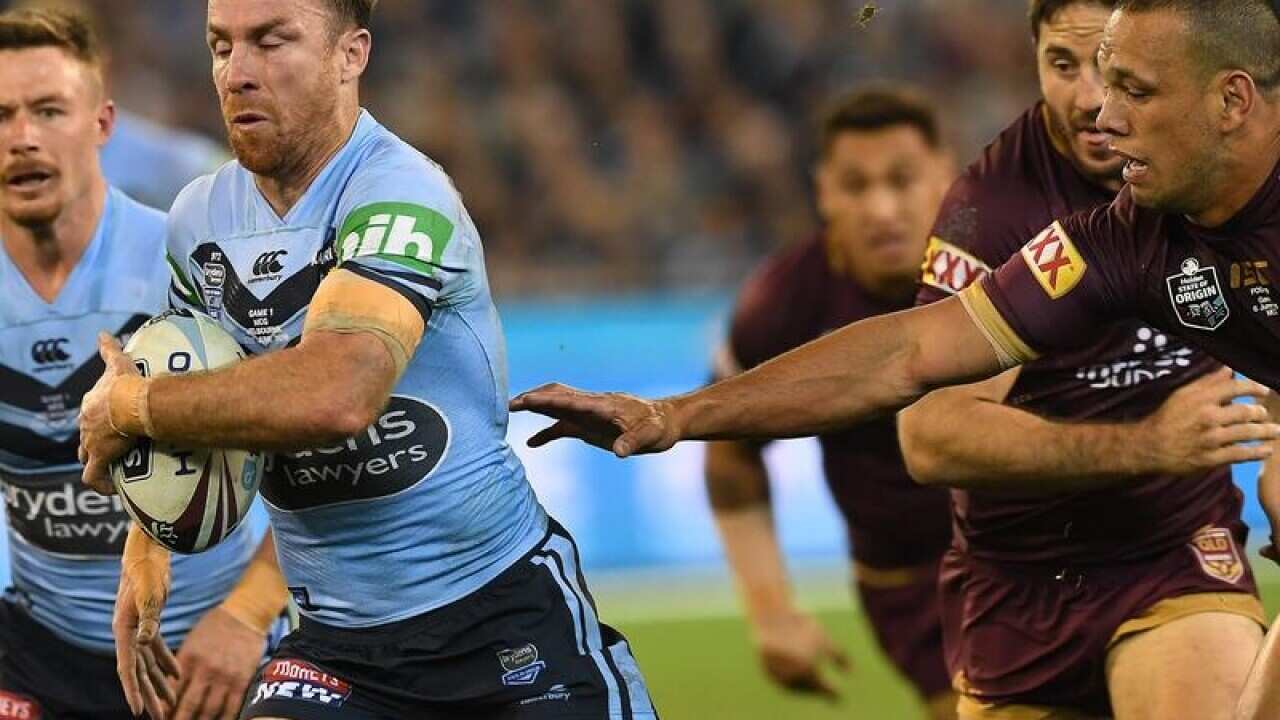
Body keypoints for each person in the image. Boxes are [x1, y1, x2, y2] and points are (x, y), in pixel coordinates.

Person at [510, 0, 1280, 712]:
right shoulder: (1113, 237)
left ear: (1232, 100)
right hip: (1012, 585)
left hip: (1172, 552)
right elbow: (913, 356)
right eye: (1078, 71)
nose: (1103, 116)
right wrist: (671, 414)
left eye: (1134, 91)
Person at [74, 1, 658, 718]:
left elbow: (338, 392)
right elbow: (187, 392)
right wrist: (148, 546)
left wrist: (129, 409)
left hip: (499, 617)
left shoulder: (400, 190)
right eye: (221, 46)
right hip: (334, 648)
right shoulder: (197, 219)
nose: (238, 73)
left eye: (271, 42)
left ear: (351, 55)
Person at [894, 0, 1268, 717]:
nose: (1092, 100)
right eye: (1063, 66)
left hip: (1177, 552)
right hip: (1018, 583)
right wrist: (1146, 445)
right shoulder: (991, 210)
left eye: (1116, 73)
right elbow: (931, 434)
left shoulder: (1218, 170)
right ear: (1031, 58)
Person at [0, 8, 287, 720]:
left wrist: (246, 617)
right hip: (40, 650)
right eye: (0, 114)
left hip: (214, 646)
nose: (23, 137)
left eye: (48, 111)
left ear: (101, 125)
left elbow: (331, 465)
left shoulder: (190, 263)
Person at [705, 87, 957, 719]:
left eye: (902, 180)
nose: (881, 208)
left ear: (945, 174)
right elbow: (731, 460)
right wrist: (771, 613)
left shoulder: (1012, 261)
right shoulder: (782, 304)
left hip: (1049, 548)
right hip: (916, 586)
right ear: (823, 192)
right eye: (855, 185)